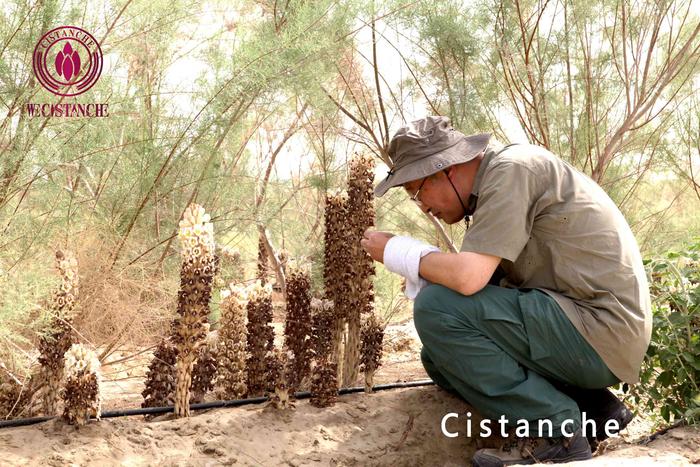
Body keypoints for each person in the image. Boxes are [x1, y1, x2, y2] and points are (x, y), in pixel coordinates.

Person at [360, 116, 651, 466]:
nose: (422, 207)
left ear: (445, 170)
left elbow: (468, 279)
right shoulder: (495, 185)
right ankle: (595, 408)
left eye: (417, 191)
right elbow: (483, 284)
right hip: (586, 330)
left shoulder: (512, 171)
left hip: (600, 330)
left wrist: (400, 252)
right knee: (440, 359)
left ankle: (557, 432)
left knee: (436, 309)